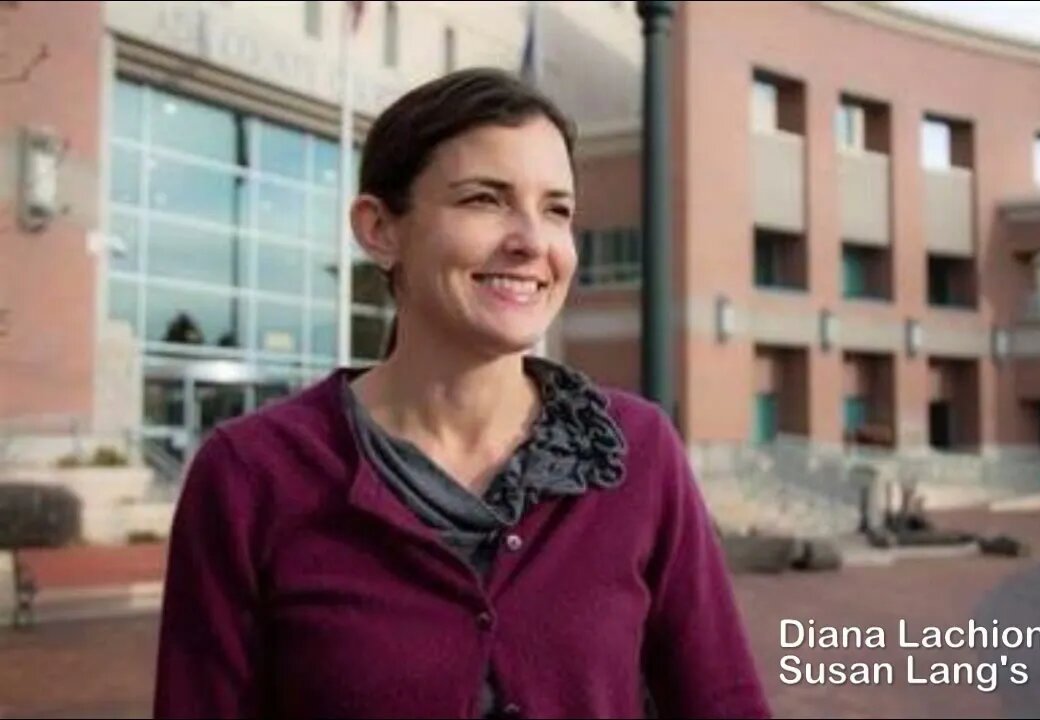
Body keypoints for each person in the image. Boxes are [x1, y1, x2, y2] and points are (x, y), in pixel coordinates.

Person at [153, 68, 771, 720]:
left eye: (556, 209)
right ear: (379, 229)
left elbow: (722, 700)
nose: (532, 242)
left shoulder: (638, 453)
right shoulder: (251, 476)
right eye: (485, 199)